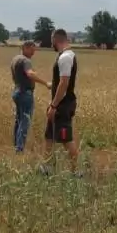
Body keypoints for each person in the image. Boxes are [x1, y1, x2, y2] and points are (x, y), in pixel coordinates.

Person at [41, 28, 80, 176]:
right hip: (60, 104)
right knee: (49, 136)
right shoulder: (66, 56)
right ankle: (46, 168)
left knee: (66, 139)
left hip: (62, 105)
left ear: (55, 40)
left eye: (52, 40)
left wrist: (53, 105)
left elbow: (64, 83)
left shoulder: (65, 57)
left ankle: (76, 172)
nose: (51, 43)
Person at [10, 40, 51, 153]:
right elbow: (30, 74)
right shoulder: (26, 61)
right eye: (32, 50)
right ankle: (19, 149)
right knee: (25, 121)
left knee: (18, 120)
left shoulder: (15, 59)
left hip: (17, 91)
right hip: (25, 93)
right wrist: (45, 83)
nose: (33, 53)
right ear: (25, 48)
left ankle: (16, 145)